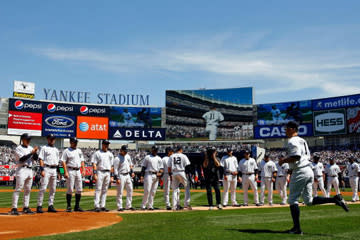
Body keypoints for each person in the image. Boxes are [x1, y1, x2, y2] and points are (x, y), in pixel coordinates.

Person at [279, 121, 348, 235]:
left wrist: (283, 161)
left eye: (286, 129)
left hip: (300, 171)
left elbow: (296, 156)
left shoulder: (292, 140)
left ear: (292, 129)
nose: (285, 131)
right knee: (309, 201)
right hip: (308, 170)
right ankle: (335, 199)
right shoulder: (302, 140)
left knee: (292, 200)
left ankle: (297, 229)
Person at [11, 133, 38, 215]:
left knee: (28, 190)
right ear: (23, 140)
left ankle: (26, 207)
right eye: (28, 139)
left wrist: (35, 152)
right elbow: (22, 159)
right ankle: (14, 208)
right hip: (22, 169)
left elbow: (36, 158)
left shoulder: (30, 148)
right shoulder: (18, 148)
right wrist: (31, 153)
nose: (29, 141)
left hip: (30, 170)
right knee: (18, 189)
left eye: (30, 139)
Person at [37, 134, 60, 213]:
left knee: (53, 189)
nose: (52, 140)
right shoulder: (44, 148)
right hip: (46, 168)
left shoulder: (56, 150)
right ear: (48, 139)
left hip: (54, 170)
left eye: (53, 139)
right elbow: (41, 159)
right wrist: (42, 170)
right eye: (51, 138)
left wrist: (60, 173)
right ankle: (39, 205)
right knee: (43, 188)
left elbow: (58, 163)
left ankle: (50, 205)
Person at [61, 137, 85, 212]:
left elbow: (82, 161)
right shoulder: (66, 151)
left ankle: (77, 206)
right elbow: (63, 161)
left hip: (78, 170)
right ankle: (68, 206)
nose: (76, 143)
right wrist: (65, 172)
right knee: (70, 189)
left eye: (76, 142)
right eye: (74, 142)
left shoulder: (79, 151)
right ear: (71, 142)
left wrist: (83, 169)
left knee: (79, 189)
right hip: (70, 170)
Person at [92, 140, 114, 212]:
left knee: (105, 190)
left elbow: (112, 166)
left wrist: (111, 176)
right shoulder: (97, 153)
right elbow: (94, 164)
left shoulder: (110, 154)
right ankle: (96, 205)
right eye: (105, 144)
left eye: (107, 144)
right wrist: (94, 174)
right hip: (100, 172)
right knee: (98, 189)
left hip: (107, 172)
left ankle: (102, 205)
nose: (106, 145)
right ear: (102, 144)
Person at [168, 146, 192, 210]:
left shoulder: (172, 156)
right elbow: (188, 165)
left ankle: (174, 206)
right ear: (181, 150)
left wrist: (170, 175)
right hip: (181, 172)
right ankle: (186, 204)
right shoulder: (184, 156)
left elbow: (169, 167)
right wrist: (187, 173)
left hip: (174, 173)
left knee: (174, 190)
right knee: (186, 187)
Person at [140, 146, 163, 210]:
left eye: (156, 150)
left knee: (153, 191)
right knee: (147, 190)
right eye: (154, 150)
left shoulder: (159, 158)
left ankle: (150, 206)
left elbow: (161, 168)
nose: (155, 151)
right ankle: (143, 205)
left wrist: (160, 172)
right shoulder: (147, 157)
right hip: (148, 174)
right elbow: (143, 167)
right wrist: (142, 176)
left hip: (156, 175)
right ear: (152, 150)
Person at [114, 145, 135, 211]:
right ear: (121, 150)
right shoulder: (117, 158)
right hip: (121, 175)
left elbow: (130, 165)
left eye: (126, 151)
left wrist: (132, 172)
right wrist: (117, 178)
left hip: (128, 175)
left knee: (130, 190)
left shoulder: (128, 156)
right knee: (120, 192)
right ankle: (119, 206)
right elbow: (115, 169)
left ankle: (128, 206)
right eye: (125, 151)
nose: (126, 152)